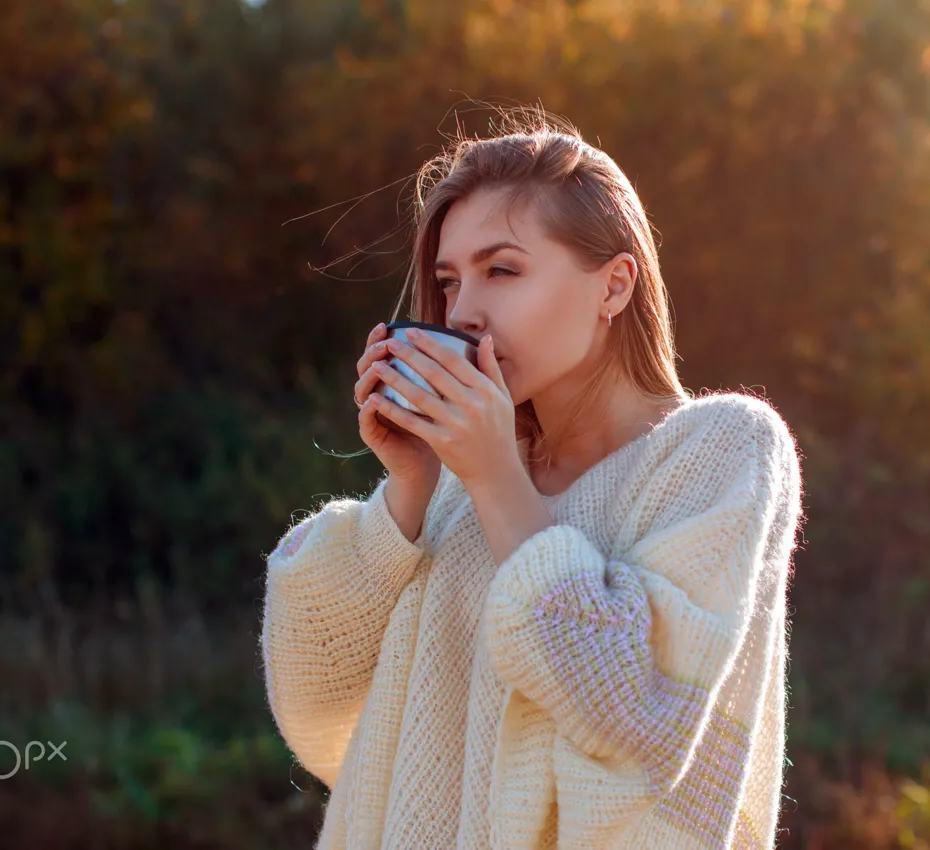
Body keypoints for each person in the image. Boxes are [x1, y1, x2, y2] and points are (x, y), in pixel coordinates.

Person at [259, 110, 805, 849]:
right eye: (449, 282)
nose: (465, 312)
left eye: (503, 270)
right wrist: (411, 489)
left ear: (614, 286)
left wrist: (493, 479)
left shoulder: (722, 450)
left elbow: (637, 714)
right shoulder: (462, 479)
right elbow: (316, 695)